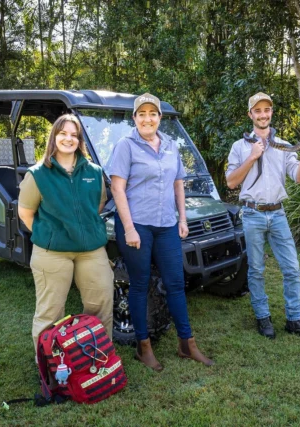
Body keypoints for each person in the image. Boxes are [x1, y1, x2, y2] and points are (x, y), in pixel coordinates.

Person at [107, 93, 213, 371]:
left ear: (160, 118)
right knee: (140, 285)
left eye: (152, 113)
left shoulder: (169, 145)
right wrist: (129, 228)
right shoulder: (125, 146)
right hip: (136, 225)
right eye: (141, 114)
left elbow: (178, 183)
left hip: (166, 223)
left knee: (176, 283)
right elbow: (117, 188)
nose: (147, 118)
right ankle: (144, 347)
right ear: (134, 118)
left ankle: (186, 344)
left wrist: (182, 218)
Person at [226, 92, 300, 340]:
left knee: (292, 268)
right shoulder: (239, 146)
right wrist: (252, 155)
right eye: (257, 110)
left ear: (271, 113)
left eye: (266, 109)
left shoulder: (284, 145)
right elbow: (232, 182)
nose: (263, 114)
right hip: (252, 213)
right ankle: (263, 317)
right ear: (250, 115)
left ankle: (295, 319)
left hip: (277, 213)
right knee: (256, 269)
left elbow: (298, 178)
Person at [18, 114, 114, 351]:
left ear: (80, 140)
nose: (68, 139)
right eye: (63, 133)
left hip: (92, 251)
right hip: (52, 254)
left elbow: (97, 206)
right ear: (54, 137)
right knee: (50, 314)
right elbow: (25, 213)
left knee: (100, 308)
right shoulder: (38, 174)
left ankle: (97, 363)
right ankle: (49, 371)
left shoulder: (94, 172)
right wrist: (51, 235)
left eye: (74, 134)